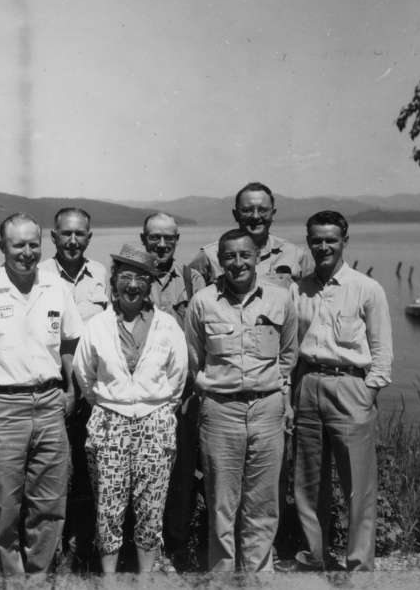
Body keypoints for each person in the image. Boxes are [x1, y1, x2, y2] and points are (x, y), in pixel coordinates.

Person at [0, 213, 84, 574]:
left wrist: (71, 389)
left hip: (49, 405)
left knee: (48, 504)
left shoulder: (56, 288)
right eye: (18, 245)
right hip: (0, 406)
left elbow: (69, 340)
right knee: (2, 509)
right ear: (2, 247)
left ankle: (38, 578)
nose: (27, 252)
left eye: (34, 244)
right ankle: (10, 582)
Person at [185, 229, 298, 572]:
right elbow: (195, 359)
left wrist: (277, 396)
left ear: (256, 257)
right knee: (221, 503)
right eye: (230, 256)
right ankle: (221, 576)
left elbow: (288, 355)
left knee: (263, 502)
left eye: (245, 255)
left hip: (267, 408)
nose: (238, 263)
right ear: (220, 261)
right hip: (221, 411)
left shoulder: (280, 299)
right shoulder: (202, 302)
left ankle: (257, 577)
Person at [73, 245, 187, 572]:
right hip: (109, 423)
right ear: (114, 281)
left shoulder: (167, 325)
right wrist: (112, 403)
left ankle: (145, 579)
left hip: (156, 423)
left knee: (151, 508)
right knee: (108, 507)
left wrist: (156, 407)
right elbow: (85, 374)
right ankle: (109, 579)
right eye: (125, 277)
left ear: (150, 284)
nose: (133, 286)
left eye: (141, 278)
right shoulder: (97, 325)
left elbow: (177, 377)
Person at [290, 211, 393, 572]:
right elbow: (291, 347)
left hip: (350, 388)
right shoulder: (297, 289)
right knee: (307, 480)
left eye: (330, 240)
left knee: (358, 484)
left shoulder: (367, 288)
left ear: (344, 242)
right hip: (307, 384)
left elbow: (382, 355)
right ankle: (314, 557)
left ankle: (359, 564)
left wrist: (367, 393)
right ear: (309, 242)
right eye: (316, 240)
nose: (323, 246)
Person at [38, 207, 109, 568]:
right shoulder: (37, 275)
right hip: (53, 390)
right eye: (65, 233)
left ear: (89, 237)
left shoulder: (100, 275)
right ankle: (44, 551)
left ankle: (79, 548)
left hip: (93, 392)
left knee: (86, 469)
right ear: (53, 237)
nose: (72, 240)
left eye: (80, 234)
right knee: (46, 474)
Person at [139, 211, 206, 546]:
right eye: (155, 237)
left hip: (184, 393)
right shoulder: (131, 276)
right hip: (144, 393)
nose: (162, 244)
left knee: (181, 468)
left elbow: (206, 330)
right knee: (142, 470)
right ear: (144, 240)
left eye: (169, 238)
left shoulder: (192, 278)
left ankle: (177, 543)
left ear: (177, 241)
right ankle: (143, 543)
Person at [189, 182, 314, 288]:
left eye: (263, 210)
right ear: (235, 215)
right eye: (247, 210)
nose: (255, 216)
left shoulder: (296, 255)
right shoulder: (209, 256)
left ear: (273, 214)